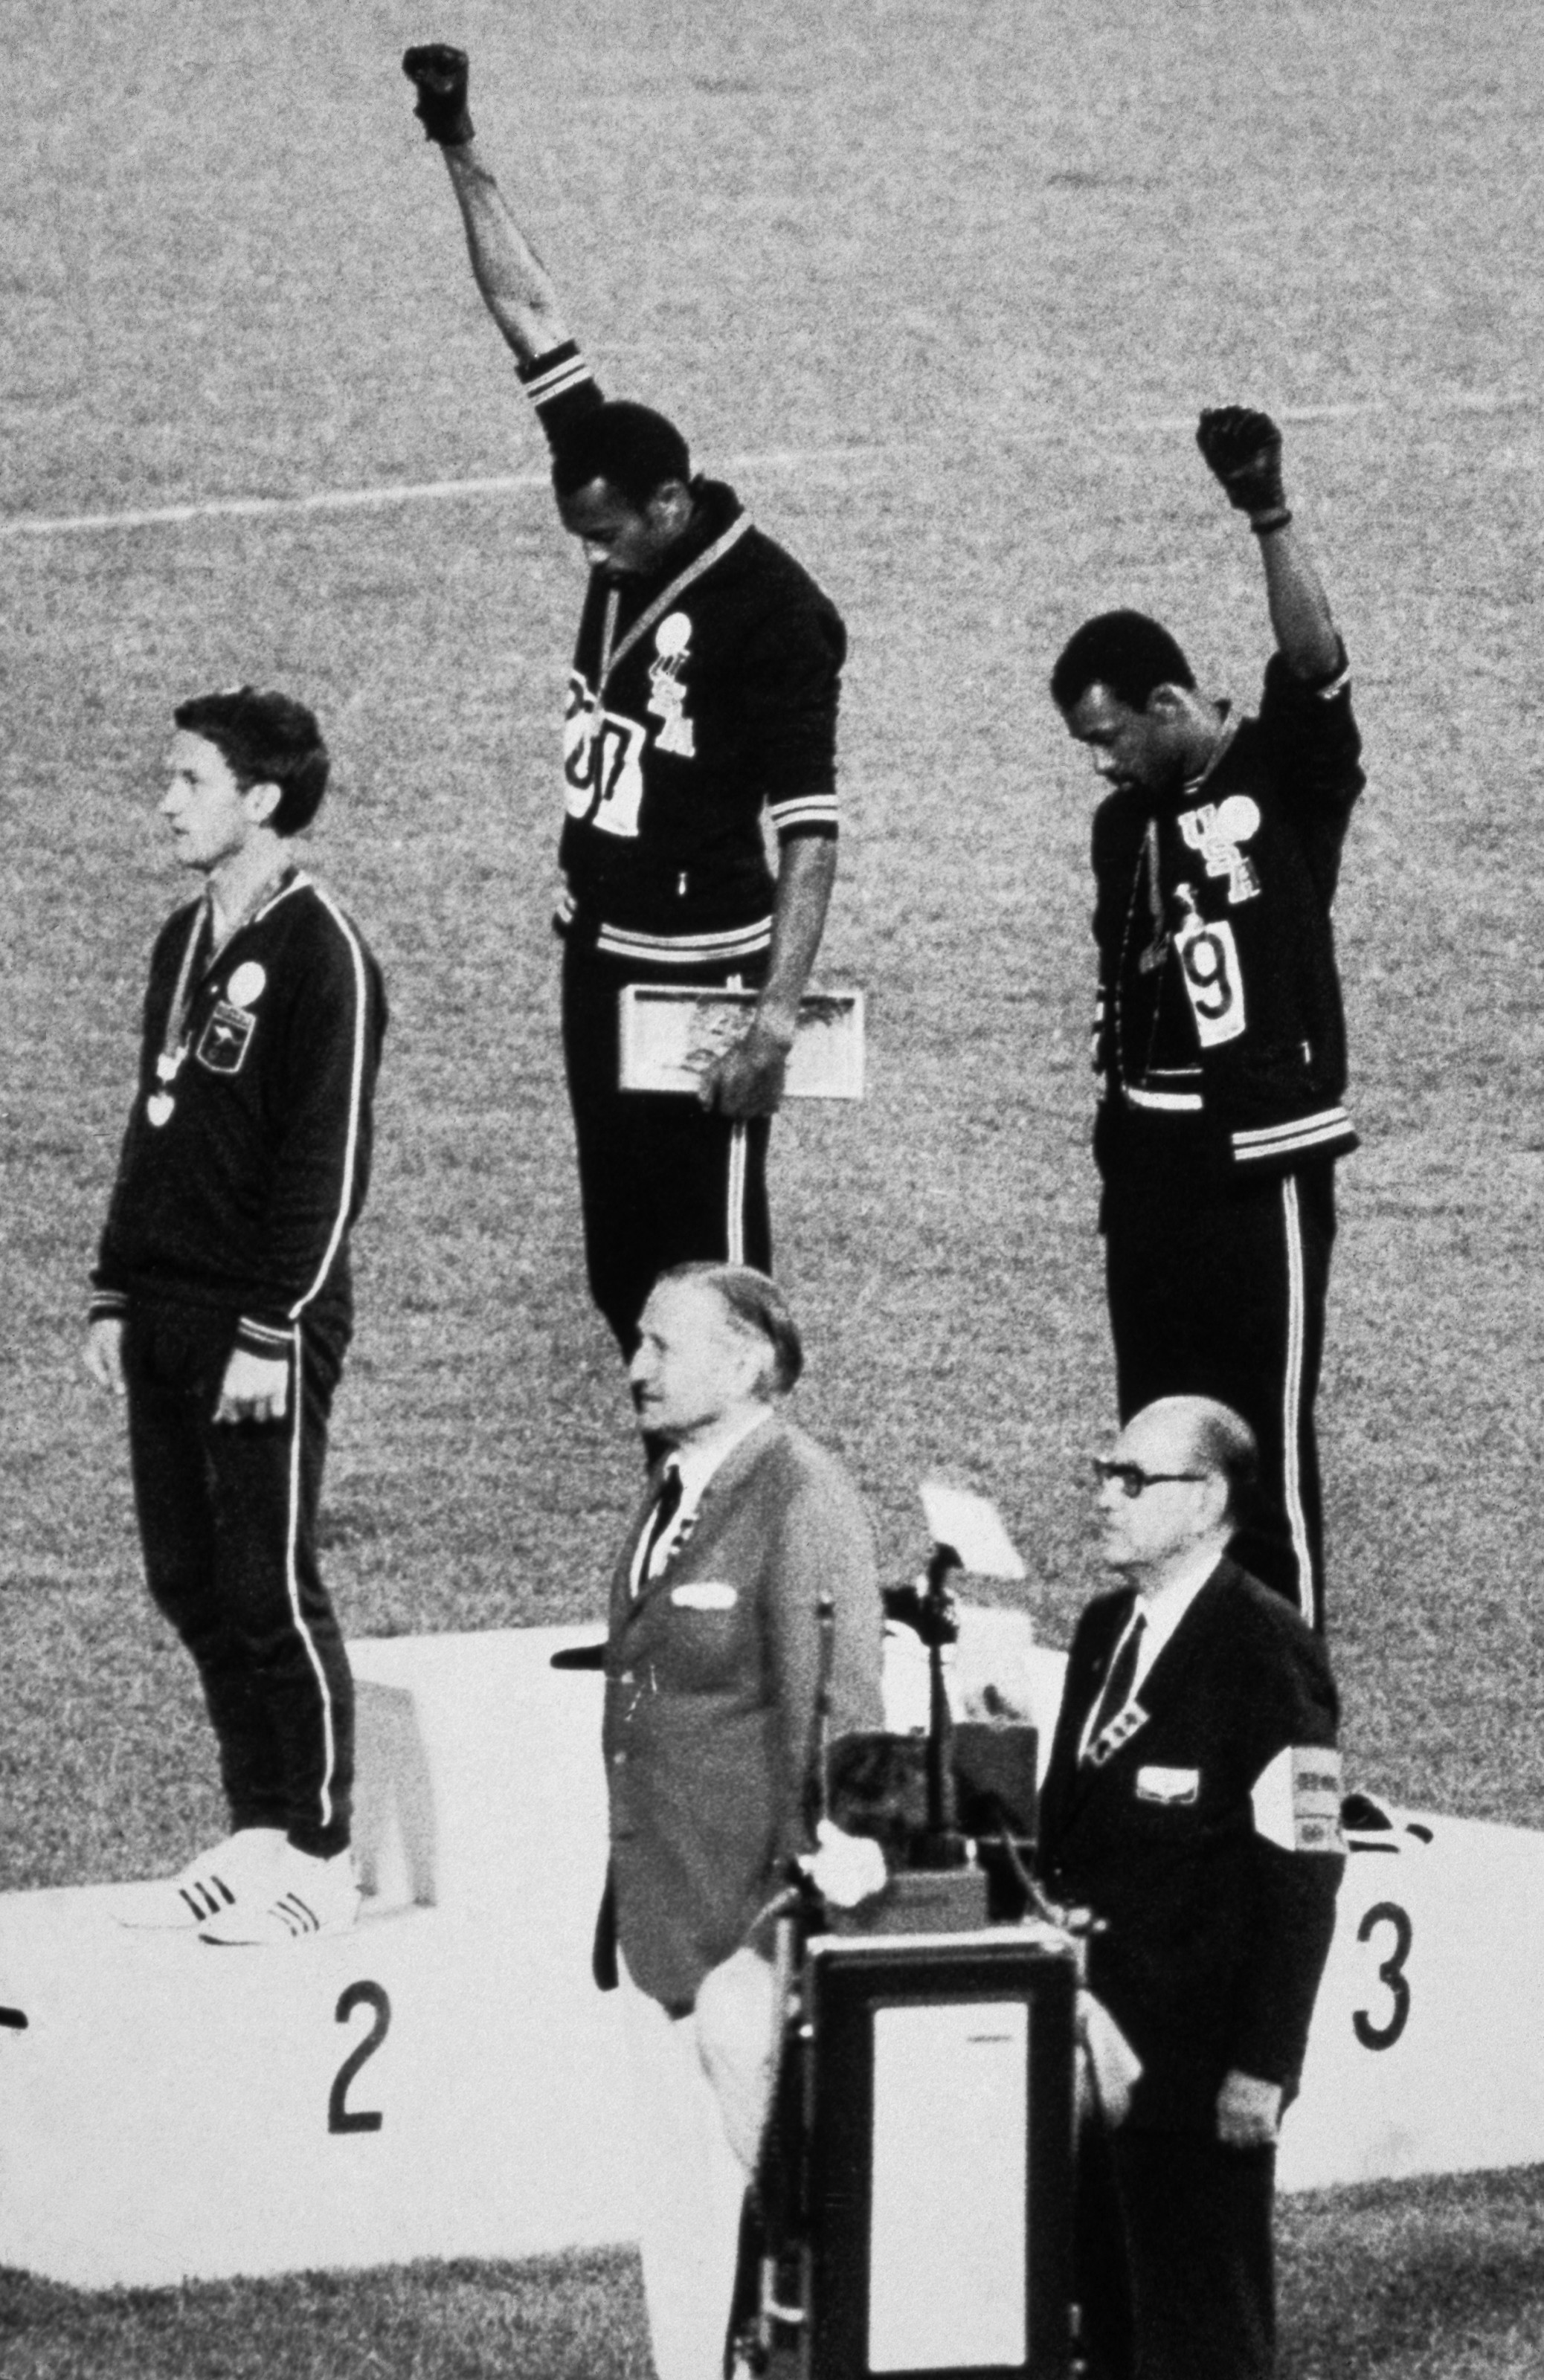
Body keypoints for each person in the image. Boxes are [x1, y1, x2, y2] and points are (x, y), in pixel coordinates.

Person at [400, 45, 848, 1355]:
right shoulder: (612, 471)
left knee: (711, 1276)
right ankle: (679, 1481)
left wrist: (773, 1012)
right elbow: (529, 311)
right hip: (598, 951)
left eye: (609, 542)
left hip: (702, 971)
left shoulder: (777, 614)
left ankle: (751, 1513)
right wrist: (456, 137)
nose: (593, 561)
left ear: (670, 502)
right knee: (618, 1273)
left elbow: (810, 827)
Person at [1049, 410, 1365, 1631]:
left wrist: (1267, 512)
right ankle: (1186, 1691)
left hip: (1255, 1161)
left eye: (1111, 736)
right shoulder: (1121, 825)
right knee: (1160, 1438)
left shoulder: (1283, 775)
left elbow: (1318, 663)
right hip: (1146, 1163)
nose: (1102, 765)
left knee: (1264, 1451)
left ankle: (1300, 1731)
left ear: (1171, 698)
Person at [85, 688, 387, 1946]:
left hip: (261, 1324)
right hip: (162, 1305)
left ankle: (322, 1848)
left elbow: (329, 1166)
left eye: (189, 780)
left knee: (267, 1579)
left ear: (261, 800)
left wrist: (275, 1328)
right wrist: (113, 1284)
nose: (165, 801)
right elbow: (152, 1121)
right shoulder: (182, 936)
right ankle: (258, 1817)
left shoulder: (325, 954)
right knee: (188, 1577)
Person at [598, 1262, 884, 2380]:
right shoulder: (677, 1485)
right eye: (639, 1341)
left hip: (744, 1928)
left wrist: (789, 1925)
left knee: (784, 2222)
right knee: (679, 2213)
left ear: (749, 1360)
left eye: (664, 1345)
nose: (636, 1368)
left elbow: (837, 1726)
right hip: (655, 1914)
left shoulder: (801, 1495)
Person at [1037, 1396, 1345, 2380]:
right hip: (1091, 2053)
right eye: (1102, 1470)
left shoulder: (1267, 1649)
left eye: (1133, 1479)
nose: (1105, 1496)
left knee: (1203, 2337)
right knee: (1104, 2331)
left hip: (1199, 2070)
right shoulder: (1100, 1631)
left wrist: (1266, 2059)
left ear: (1207, 1498)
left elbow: (1305, 1869)